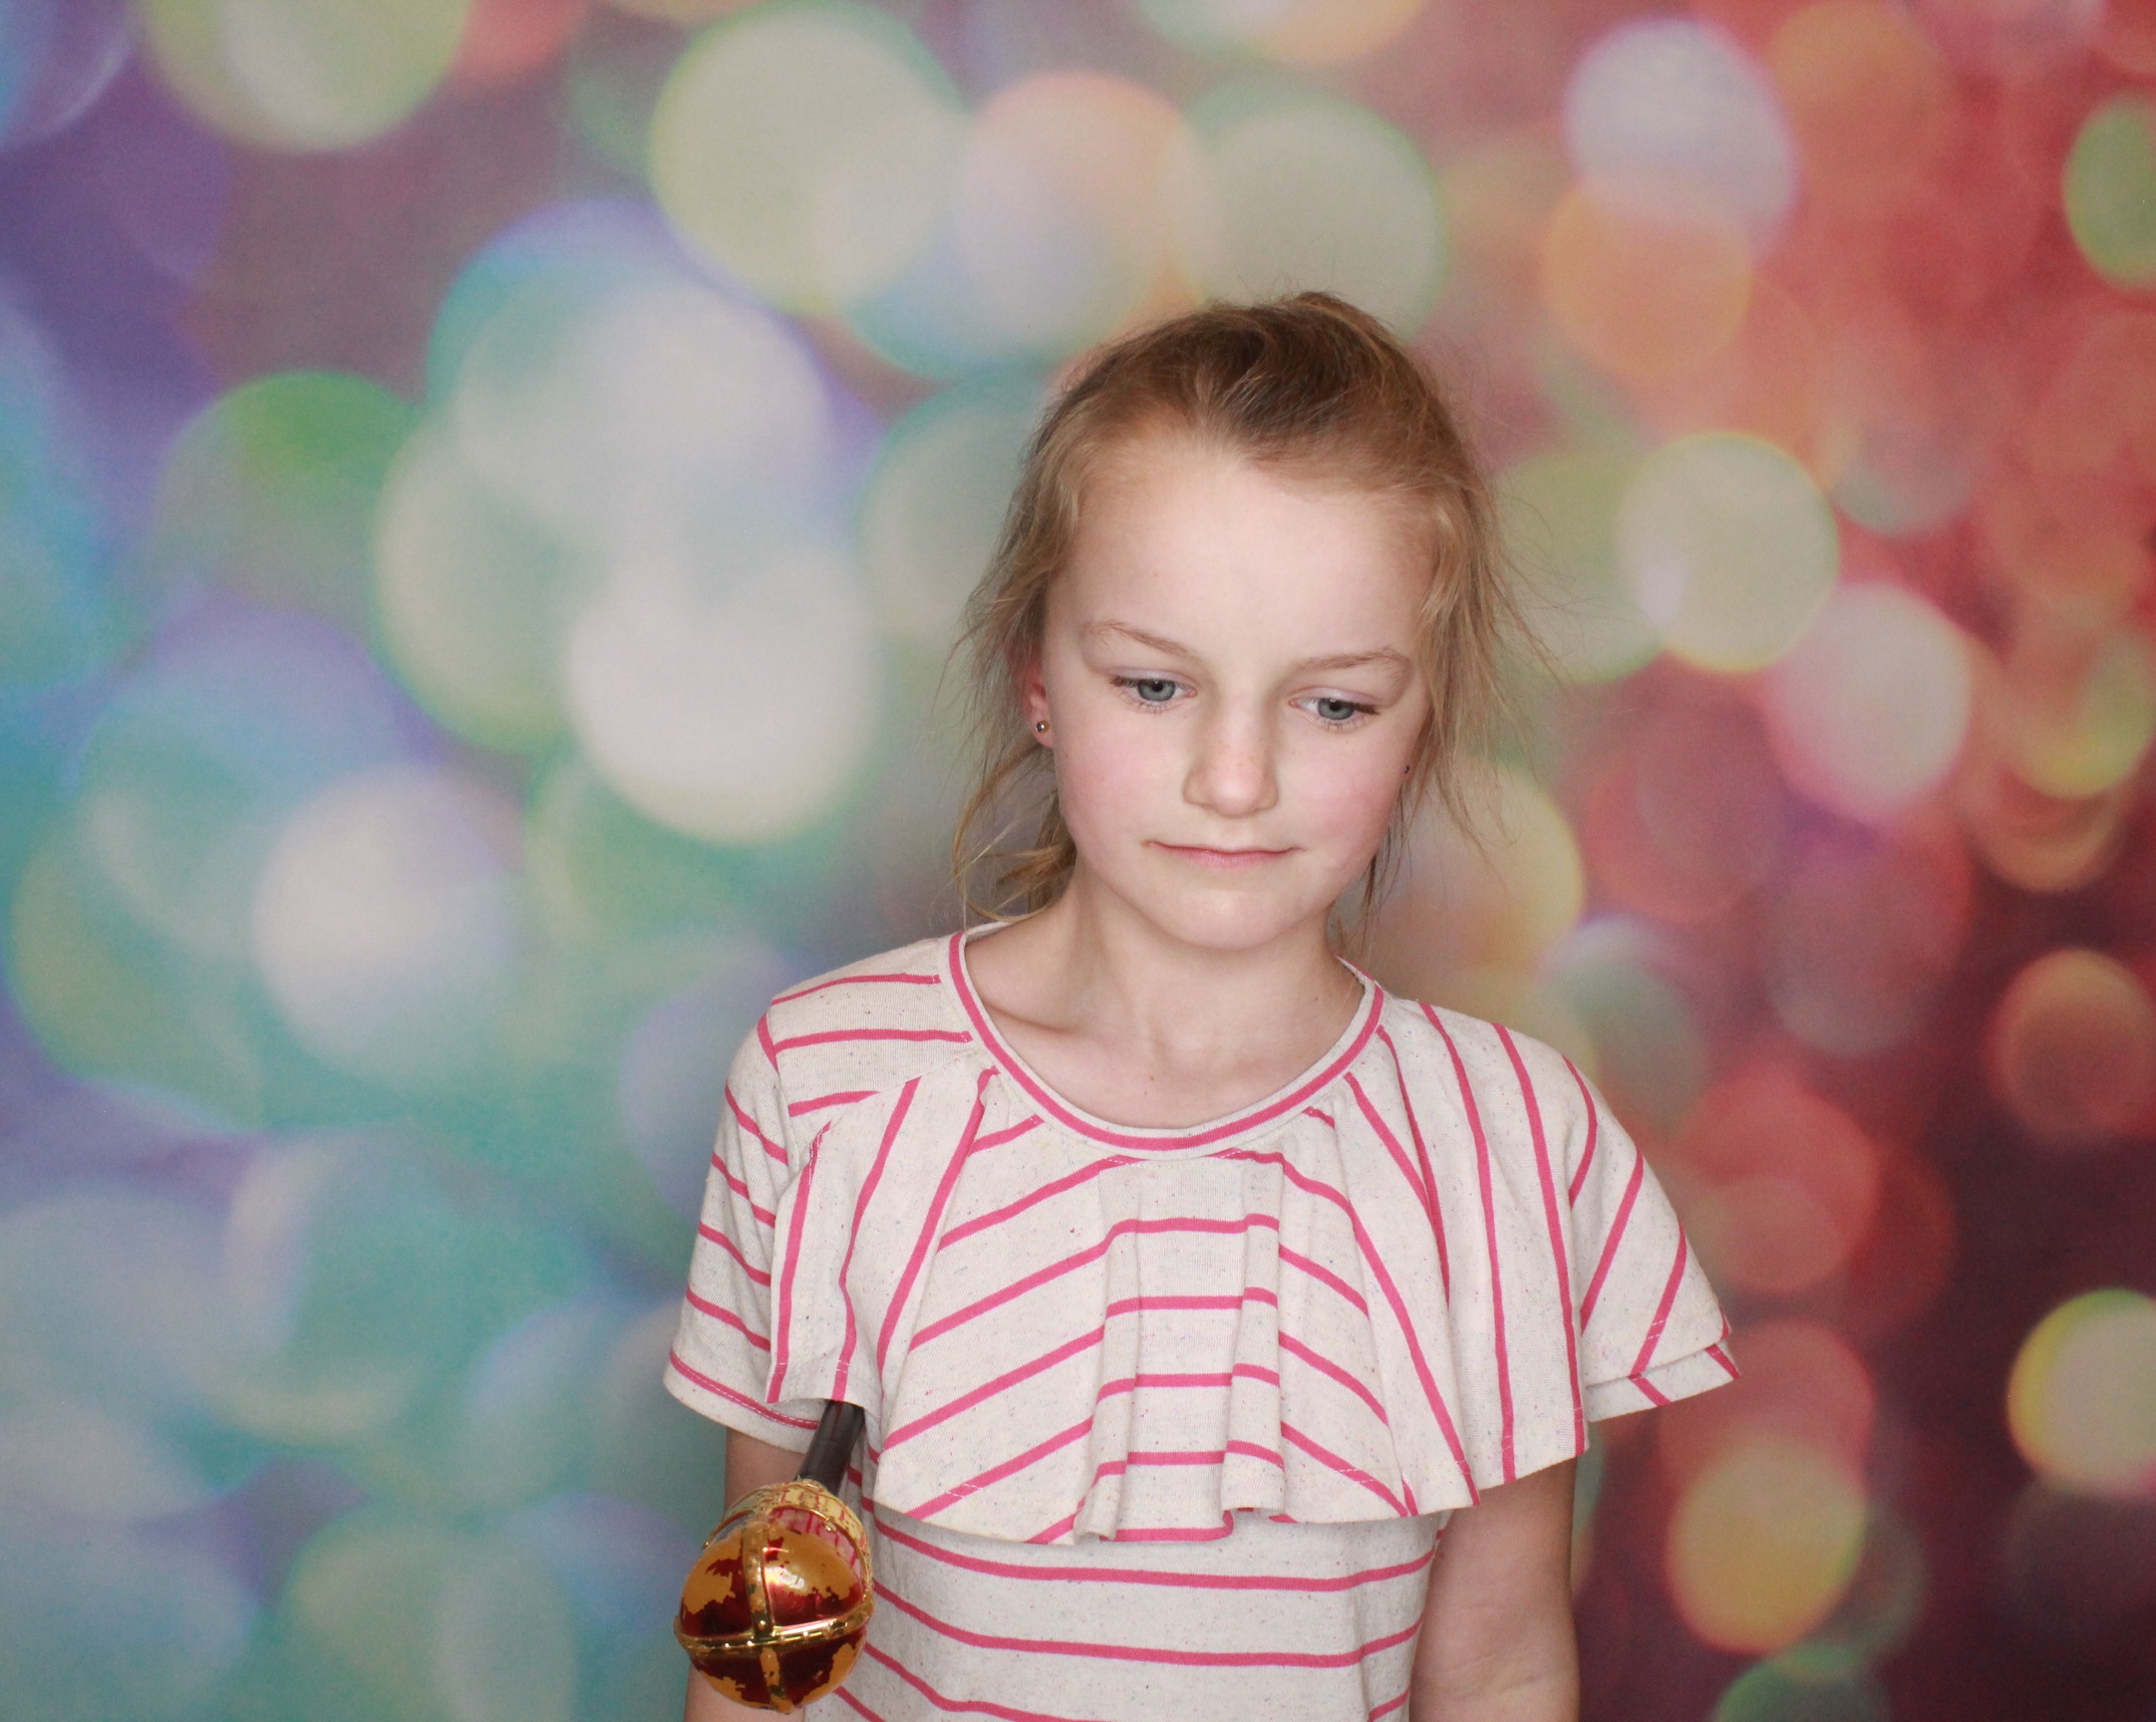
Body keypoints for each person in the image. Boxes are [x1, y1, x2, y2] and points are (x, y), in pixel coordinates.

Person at [665, 292, 1733, 1721]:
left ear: (1424, 719)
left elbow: (1497, 1669)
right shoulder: (828, 1086)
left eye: (1333, 705)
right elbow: (761, 1660)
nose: (1236, 779)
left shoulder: (1509, 1143)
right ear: (1039, 678)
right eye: (1156, 684)